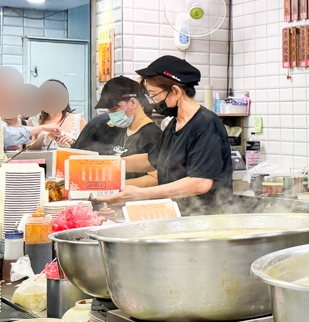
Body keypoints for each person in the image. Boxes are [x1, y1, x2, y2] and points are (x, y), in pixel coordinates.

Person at [106, 57, 233, 215]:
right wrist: (106, 165)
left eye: (153, 94)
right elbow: (154, 160)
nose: (152, 102)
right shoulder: (174, 124)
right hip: (180, 217)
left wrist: (142, 193)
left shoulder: (206, 125)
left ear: (176, 92)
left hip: (206, 221)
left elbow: (200, 183)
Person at [75, 76, 161, 180]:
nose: (111, 114)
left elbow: (154, 179)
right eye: (109, 110)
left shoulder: (153, 135)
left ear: (133, 103)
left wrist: (114, 186)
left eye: (115, 108)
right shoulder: (118, 129)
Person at [26, 79, 87, 150]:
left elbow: (88, 148)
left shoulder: (78, 120)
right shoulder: (33, 121)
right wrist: (42, 138)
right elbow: (27, 150)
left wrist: (72, 142)